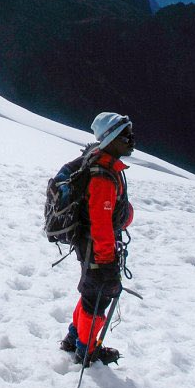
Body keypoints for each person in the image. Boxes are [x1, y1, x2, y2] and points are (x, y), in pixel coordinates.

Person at [60, 112, 135, 366]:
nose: (130, 139)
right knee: (98, 298)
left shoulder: (99, 164)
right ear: (111, 138)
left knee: (90, 292)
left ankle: (75, 338)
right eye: (125, 135)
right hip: (96, 247)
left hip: (88, 243)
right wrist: (106, 261)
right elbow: (101, 224)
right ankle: (86, 350)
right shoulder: (103, 175)